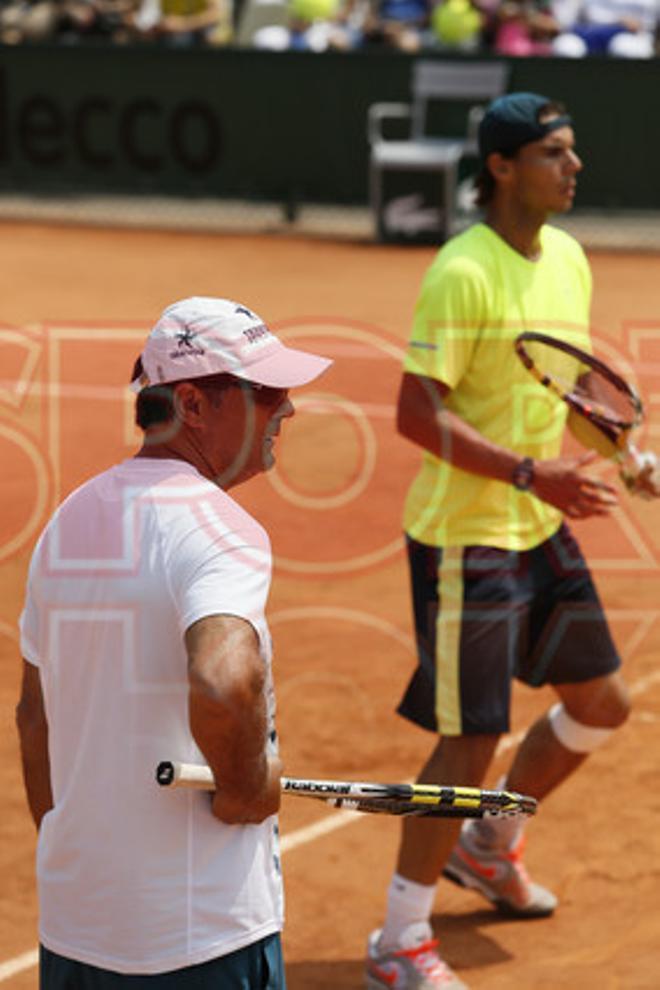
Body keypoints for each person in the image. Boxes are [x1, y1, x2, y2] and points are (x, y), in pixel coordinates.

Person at [365, 93, 634, 990]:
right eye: (555, 153)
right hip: (465, 535)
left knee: (600, 703)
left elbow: (568, 394)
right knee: (470, 741)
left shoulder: (568, 258)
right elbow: (414, 411)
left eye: (572, 150)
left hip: (537, 523)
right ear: (502, 168)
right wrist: (530, 472)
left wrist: (629, 459)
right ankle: (400, 941)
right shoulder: (461, 270)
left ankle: (488, 845)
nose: (574, 166)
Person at [16, 296, 331, 989]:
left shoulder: (66, 522)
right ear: (192, 405)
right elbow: (224, 681)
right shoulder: (222, 530)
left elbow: (34, 716)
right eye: (265, 392)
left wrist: (81, 846)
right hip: (199, 942)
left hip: (76, 932)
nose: (287, 409)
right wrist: (247, 792)